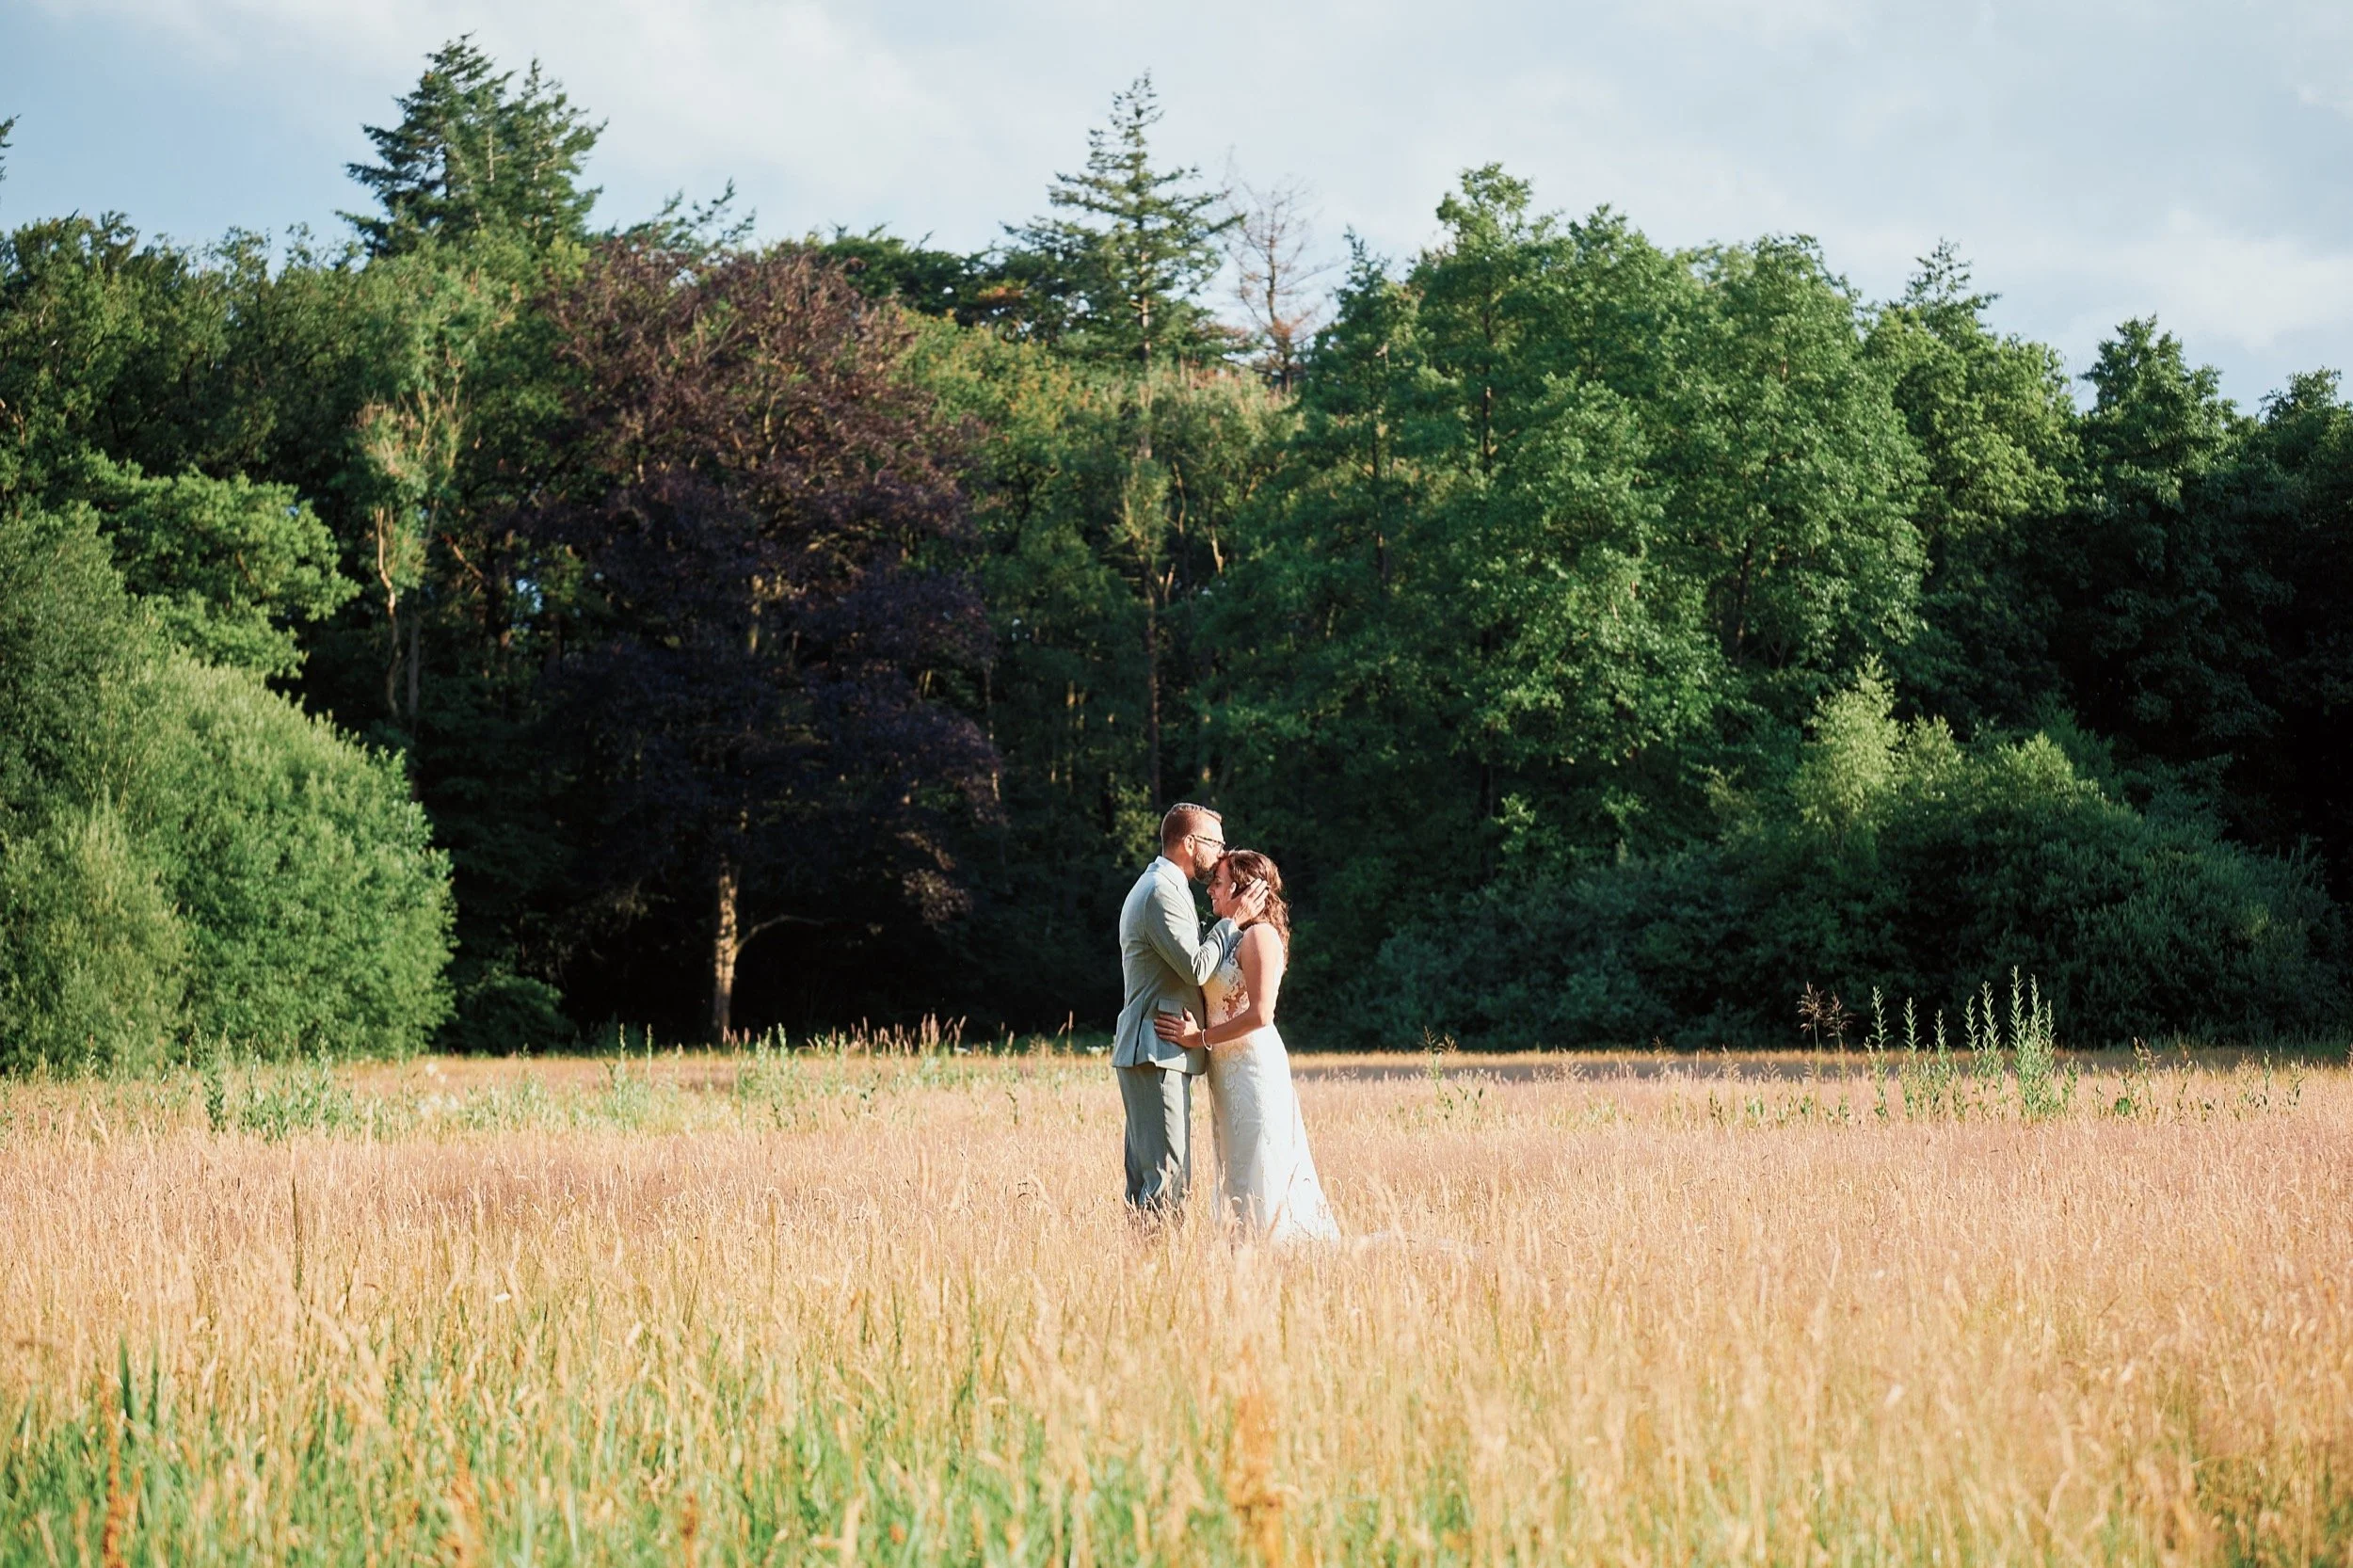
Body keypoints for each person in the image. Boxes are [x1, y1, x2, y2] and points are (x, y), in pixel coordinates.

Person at [1154, 849, 1340, 1242]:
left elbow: (1260, 1014)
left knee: (1260, 1163)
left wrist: (1198, 1038)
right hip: (1226, 1073)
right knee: (1236, 1164)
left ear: (1245, 889)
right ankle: (1246, 1252)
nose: (1211, 892)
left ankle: (1271, 1249)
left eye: (1218, 883)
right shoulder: (1227, 936)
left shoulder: (1261, 937)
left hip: (1254, 1069)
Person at [1112, 803, 1263, 1214]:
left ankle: (1144, 1270)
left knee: (1148, 1178)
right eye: (1215, 843)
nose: (1220, 854)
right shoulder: (1160, 892)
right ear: (1190, 843)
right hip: (1157, 1047)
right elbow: (1196, 967)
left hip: (1154, 1047)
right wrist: (1233, 922)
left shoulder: (1164, 887)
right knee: (1168, 1179)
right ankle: (1161, 1272)